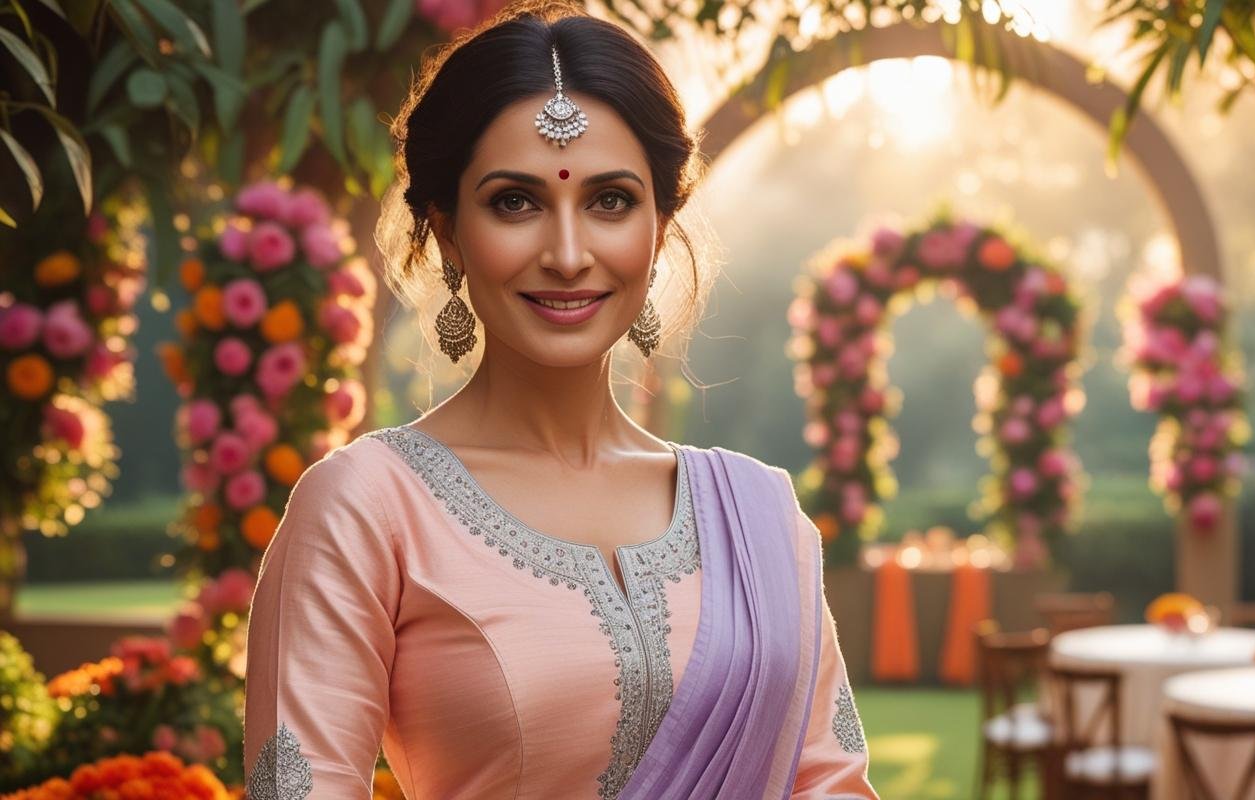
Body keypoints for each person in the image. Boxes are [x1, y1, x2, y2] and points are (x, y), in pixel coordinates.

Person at [240, 4, 877, 798]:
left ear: (659, 224)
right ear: (445, 230)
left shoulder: (763, 517)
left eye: (610, 201)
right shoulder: (367, 509)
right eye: (516, 201)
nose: (569, 254)